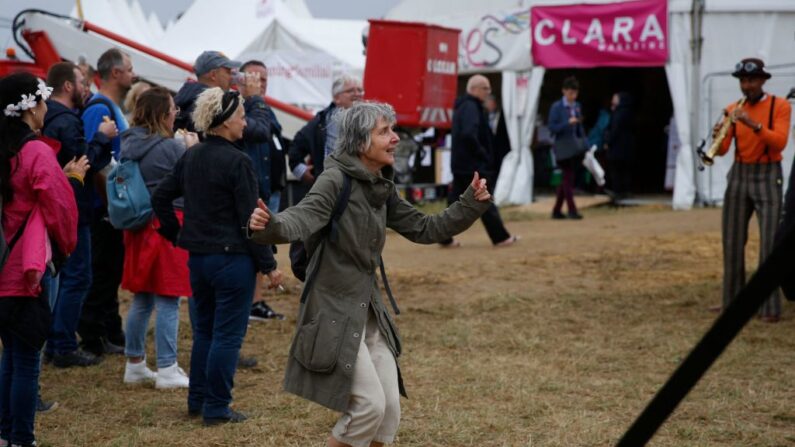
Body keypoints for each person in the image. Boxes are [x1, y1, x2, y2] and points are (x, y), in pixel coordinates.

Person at [248, 101, 492, 447]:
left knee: (389, 410)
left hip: (368, 308)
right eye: (384, 131)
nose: (395, 138)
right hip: (332, 309)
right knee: (367, 408)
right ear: (361, 141)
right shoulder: (334, 179)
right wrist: (269, 225)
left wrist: (470, 203)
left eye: (392, 130)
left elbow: (426, 228)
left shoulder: (380, 185)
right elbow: (300, 218)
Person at [151, 87, 283, 425]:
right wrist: (268, 265)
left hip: (198, 259)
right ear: (224, 122)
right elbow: (251, 220)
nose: (244, 122)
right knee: (226, 336)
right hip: (232, 261)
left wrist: (175, 234)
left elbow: (161, 198)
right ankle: (216, 407)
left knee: (206, 333)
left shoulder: (192, 156)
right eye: (240, 115)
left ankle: (198, 400)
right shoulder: (239, 162)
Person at [0, 72, 78, 447]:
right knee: (28, 359)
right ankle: (21, 438)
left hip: (2, 267)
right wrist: (65, 248)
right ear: (30, 108)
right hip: (28, 269)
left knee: (10, 356)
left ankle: (4, 433)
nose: (47, 107)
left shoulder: (5, 151)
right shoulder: (35, 153)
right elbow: (60, 208)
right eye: (43, 100)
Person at [119, 87, 199, 388]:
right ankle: (167, 367)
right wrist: (191, 149)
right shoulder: (169, 147)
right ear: (162, 114)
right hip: (169, 223)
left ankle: (135, 362)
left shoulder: (130, 142)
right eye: (173, 109)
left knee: (143, 297)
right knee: (168, 296)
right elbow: (194, 179)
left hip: (140, 225)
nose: (176, 112)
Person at [42, 62, 118, 368]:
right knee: (77, 277)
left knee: (62, 277)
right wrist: (103, 136)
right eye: (82, 82)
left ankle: (55, 340)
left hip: (58, 208)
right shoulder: (68, 122)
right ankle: (61, 344)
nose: (87, 88)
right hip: (73, 210)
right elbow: (84, 165)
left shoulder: (48, 116)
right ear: (69, 86)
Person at [711, 58, 791, 322]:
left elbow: (779, 143)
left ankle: (768, 307)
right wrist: (718, 137)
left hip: (768, 174)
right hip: (740, 173)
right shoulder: (732, 109)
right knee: (732, 240)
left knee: (769, 243)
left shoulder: (779, 106)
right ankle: (732, 303)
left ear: (763, 81)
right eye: (744, 81)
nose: (747, 86)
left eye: (752, 80)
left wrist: (754, 125)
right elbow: (722, 150)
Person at [79, 47, 134, 357]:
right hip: (104, 210)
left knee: (110, 273)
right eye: (129, 68)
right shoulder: (98, 109)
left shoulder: (110, 107)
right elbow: (96, 162)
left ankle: (109, 330)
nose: (133, 73)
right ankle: (91, 335)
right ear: (115, 73)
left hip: (110, 208)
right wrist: (111, 207)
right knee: (100, 274)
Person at [443, 74, 517, 246]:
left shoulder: (464, 106)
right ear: (474, 89)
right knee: (484, 199)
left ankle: (443, 237)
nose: (488, 92)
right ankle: (500, 237)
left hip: (462, 164)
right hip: (472, 166)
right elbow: (469, 134)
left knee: (455, 201)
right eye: (485, 88)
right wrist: (483, 153)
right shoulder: (470, 107)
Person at [238, 59, 286, 321]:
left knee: (265, 244)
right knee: (256, 243)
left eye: (264, 79)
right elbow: (259, 133)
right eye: (255, 79)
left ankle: (256, 302)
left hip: (269, 187)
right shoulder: (241, 109)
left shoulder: (264, 108)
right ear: (242, 81)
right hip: (254, 190)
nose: (260, 84)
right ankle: (252, 302)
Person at [173, 50, 241, 135]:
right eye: (228, 72)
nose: (231, 77)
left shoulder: (187, 96)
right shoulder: (210, 104)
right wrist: (252, 97)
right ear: (213, 75)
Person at [548, 76, 584, 220]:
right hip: (562, 146)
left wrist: (585, 145)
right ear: (564, 91)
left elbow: (580, 128)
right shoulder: (557, 107)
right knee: (568, 177)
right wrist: (567, 123)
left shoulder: (577, 106)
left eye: (574, 93)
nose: (572, 96)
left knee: (567, 178)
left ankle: (557, 210)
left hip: (575, 146)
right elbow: (552, 127)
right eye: (570, 93)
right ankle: (572, 209)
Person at [605, 92, 635, 200]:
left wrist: (608, 142)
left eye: (615, 98)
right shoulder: (628, 112)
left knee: (616, 170)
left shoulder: (619, 114)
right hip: (627, 147)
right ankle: (626, 190)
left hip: (617, 147)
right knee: (625, 170)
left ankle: (617, 191)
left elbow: (614, 130)